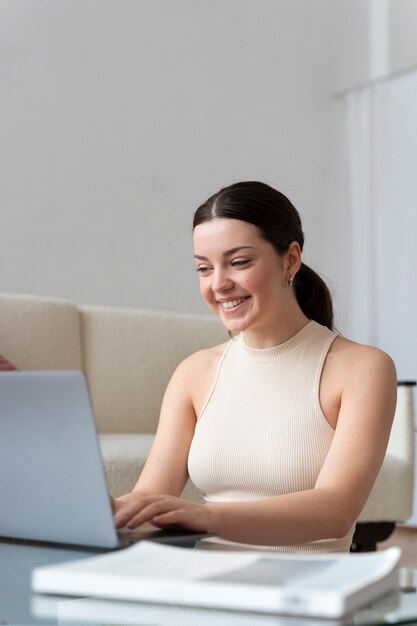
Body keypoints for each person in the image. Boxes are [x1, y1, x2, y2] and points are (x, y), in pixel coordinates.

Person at [113, 181, 397, 553]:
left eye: (239, 262)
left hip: (306, 600)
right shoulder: (194, 371)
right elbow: (150, 498)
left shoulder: (362, 369)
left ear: (291, 259)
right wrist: (96, 511)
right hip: (207, 594)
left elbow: (336, 510)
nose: (218, 284)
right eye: (203, 268)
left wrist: (205, 516)